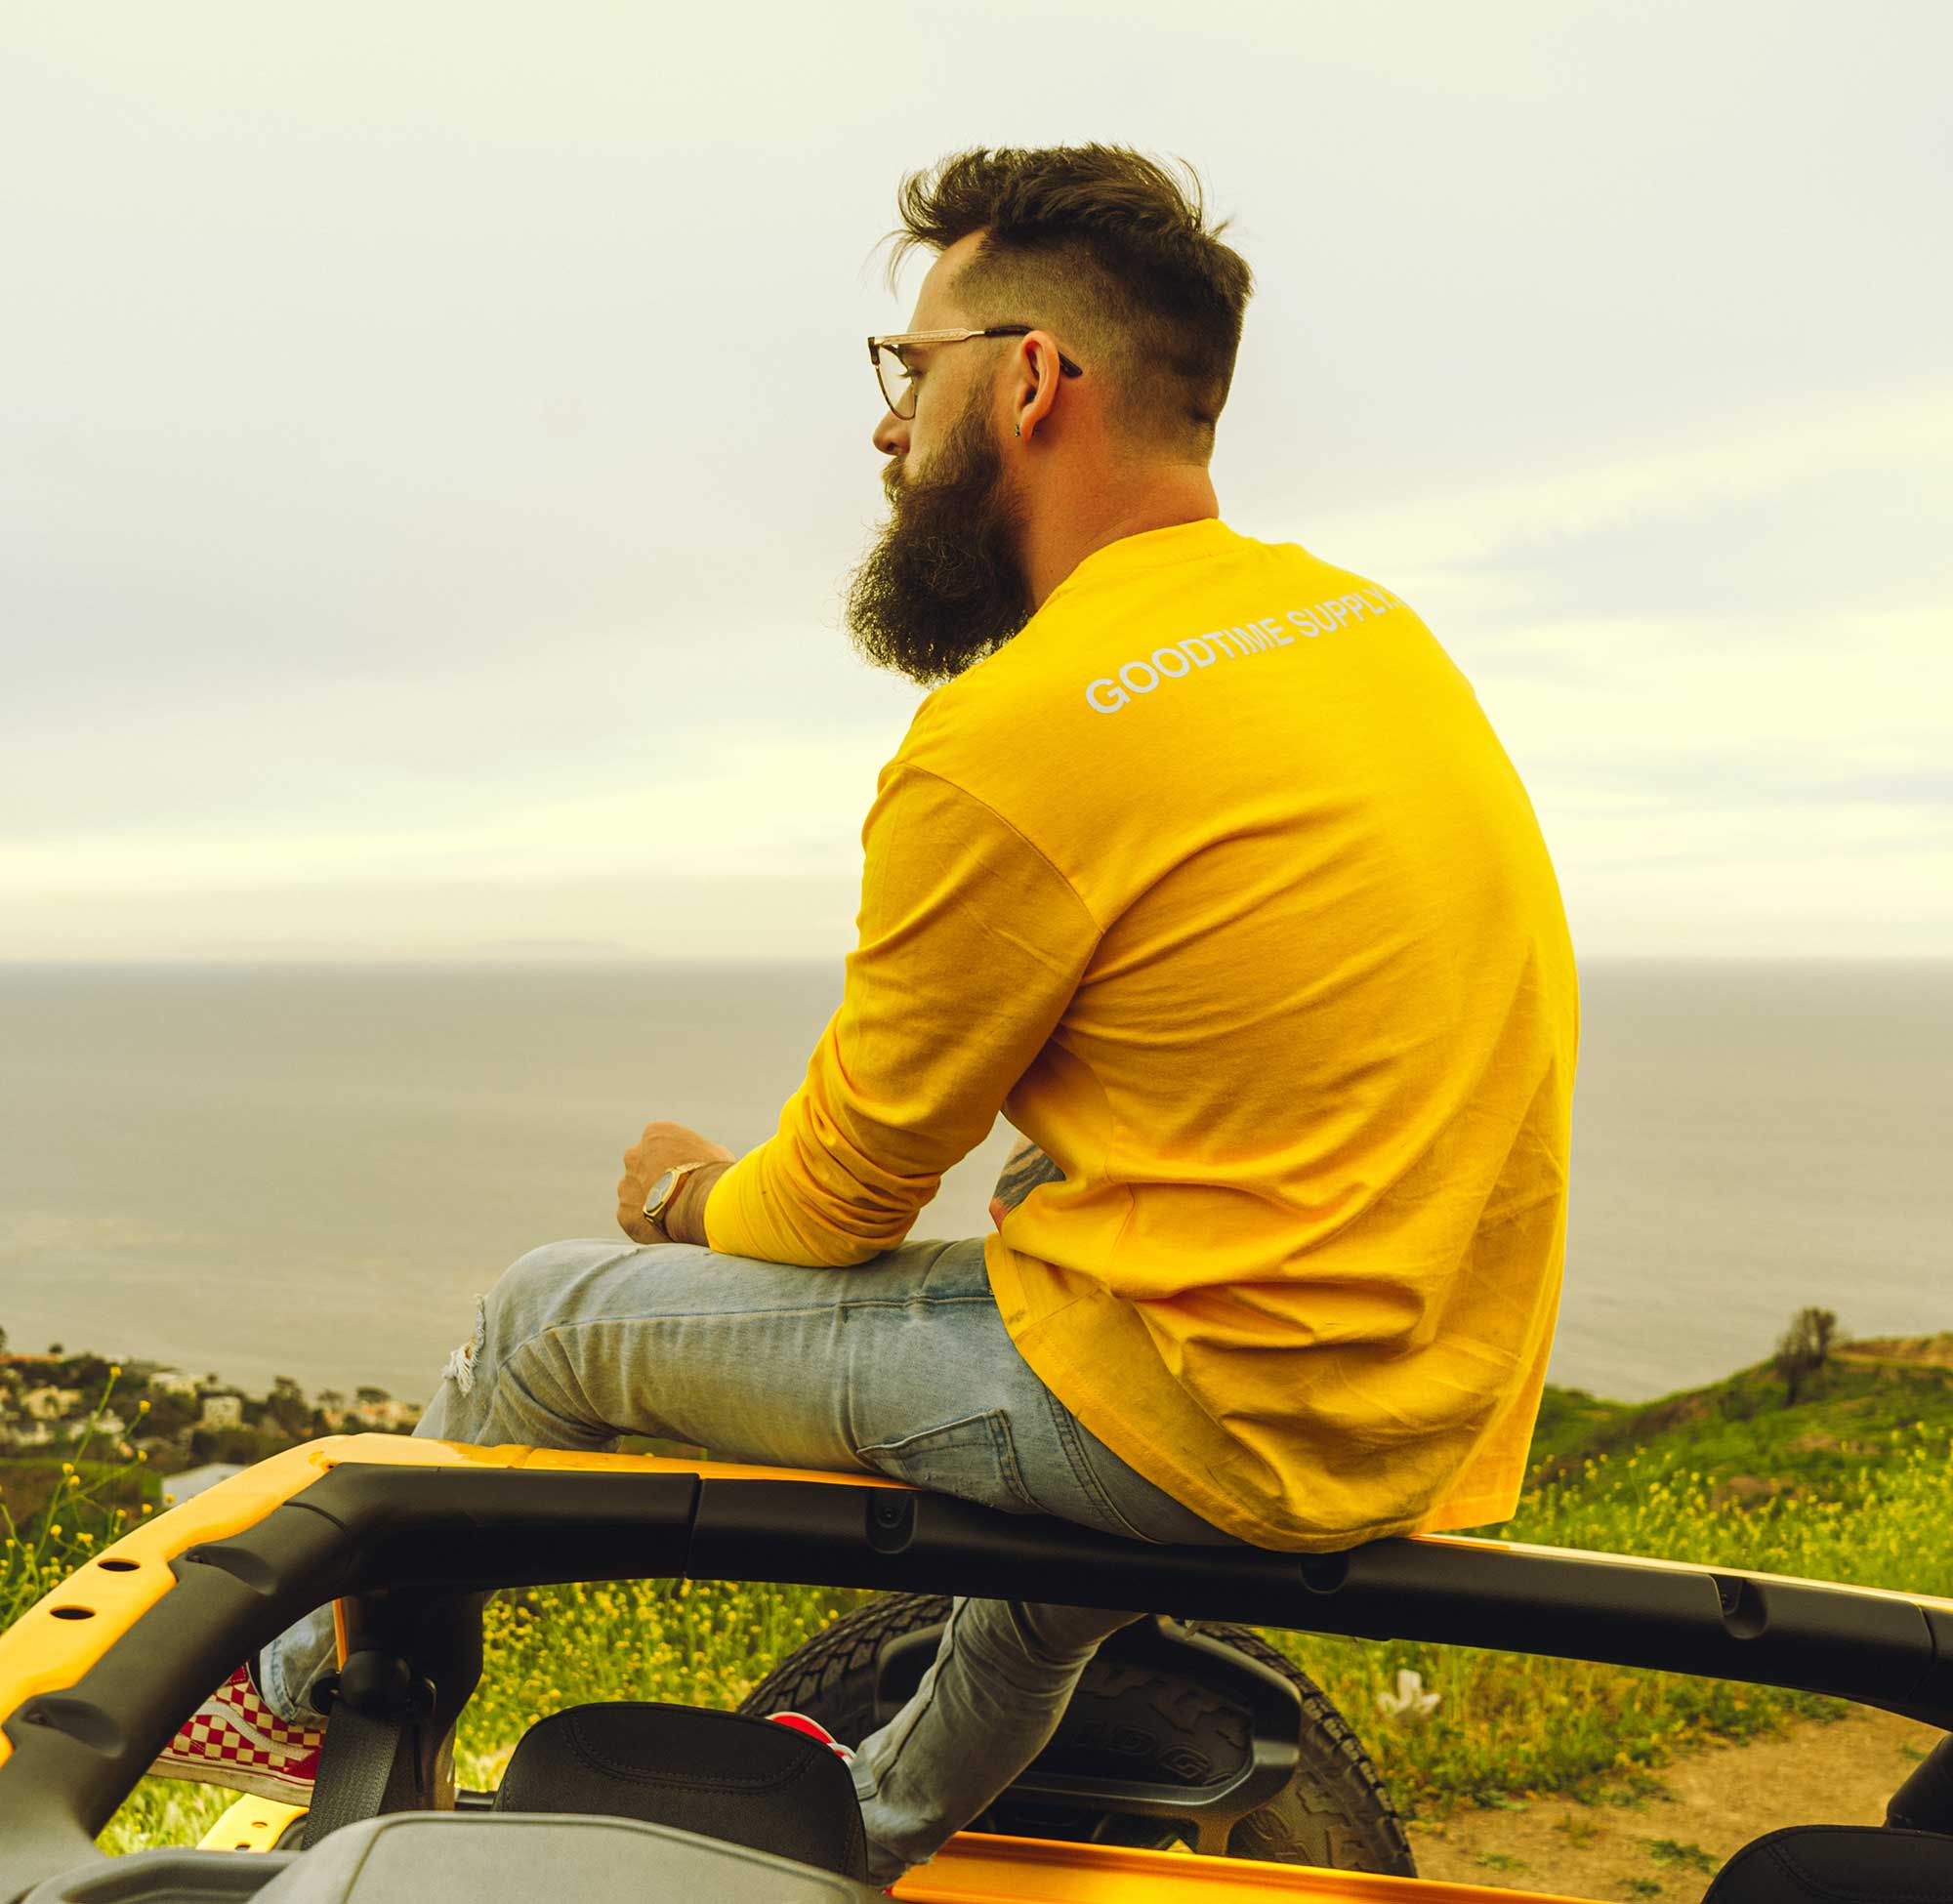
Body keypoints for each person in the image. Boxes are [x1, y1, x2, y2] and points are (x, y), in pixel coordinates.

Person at [154, 144, 1580, 1886]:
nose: (888, 429)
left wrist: (681, 1195)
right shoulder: (1369, 634)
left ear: (1033, 379)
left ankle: (292, 1717)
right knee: (1030, 1579)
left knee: (547, 1317)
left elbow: (837, 1203)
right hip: (1406, 1408)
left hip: (1205, 1418)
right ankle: (875, 1817)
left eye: (912, 371)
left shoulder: (1019, 733)